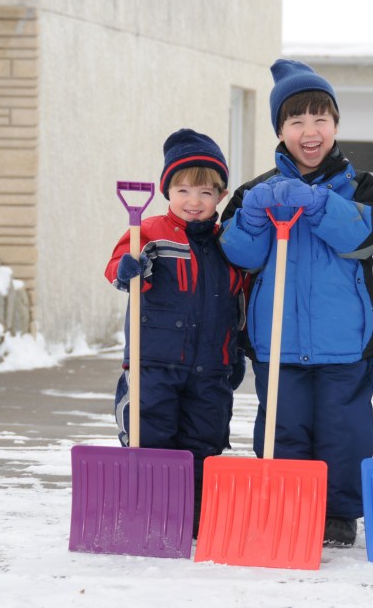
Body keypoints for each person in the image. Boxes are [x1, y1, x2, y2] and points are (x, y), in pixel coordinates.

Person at [218, 59, 373, 547]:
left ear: (336, 126)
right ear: (280, 130)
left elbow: (363, 240)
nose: (309, 131)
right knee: (283, 428)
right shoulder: (256, 192)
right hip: (279, 342)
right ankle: (288, 505)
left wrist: (318, 205)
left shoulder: (363, 189)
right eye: (296, 121)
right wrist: (252, 216)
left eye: (321, 119)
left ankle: (338, 513)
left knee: (345, 433)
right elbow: (241, 257)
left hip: (343, 344)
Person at [103, 128, 247, 536]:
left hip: (211, 368)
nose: (194, 202)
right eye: (183, 190)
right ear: (167, 191)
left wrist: (235, 353)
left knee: (205, 442)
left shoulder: (228, 245)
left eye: (205, 192)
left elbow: (240, 301)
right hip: (154, 364)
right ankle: (150, 513)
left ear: (221, 196)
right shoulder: (148, 232)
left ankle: (197, 517)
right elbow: (117, 265)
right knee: (150, 436)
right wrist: (128, 269)